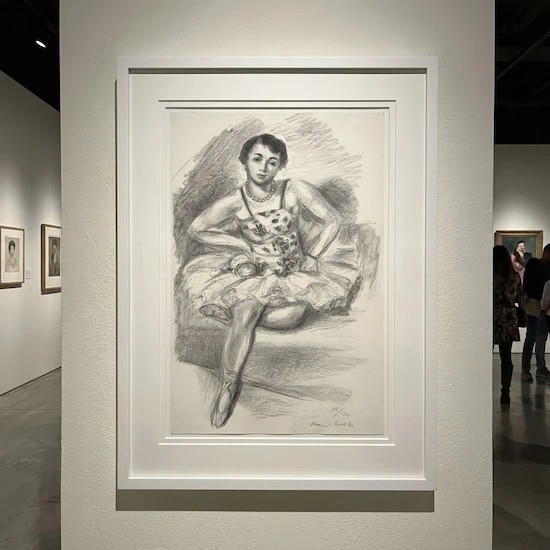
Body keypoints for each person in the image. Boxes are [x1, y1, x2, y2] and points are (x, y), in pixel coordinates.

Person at [183, 133, 358, 428]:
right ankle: (229, 384)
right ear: (244, 162)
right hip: (256, 277)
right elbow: (196, 229)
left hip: (292, 280)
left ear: (280, 166)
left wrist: (313, 255)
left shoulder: (294, 190)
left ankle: (230, 314)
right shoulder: (235, 201)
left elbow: (333, 220)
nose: (264, 167)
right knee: (248, 305)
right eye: (257, 159)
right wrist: (237, 244)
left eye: (272, 161)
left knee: (285, 317)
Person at [493, 245, 523, 405]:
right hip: (509, 319)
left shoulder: (490, 277)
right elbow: (519, 298)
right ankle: (505, 391)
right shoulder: (514, 278)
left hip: (491, 318)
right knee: (506, 358)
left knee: (482, 356)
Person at [521, 258, 547, 381]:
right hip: (536, 303)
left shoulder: (535, 264)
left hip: (538, 304)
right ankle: (529, 368)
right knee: (533, 337)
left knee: (536, 337)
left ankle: (535, 367)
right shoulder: (536, 264)